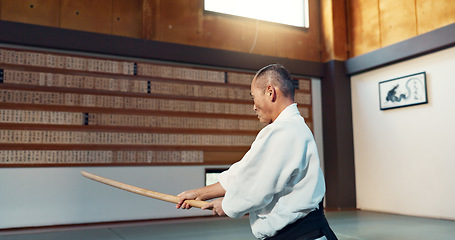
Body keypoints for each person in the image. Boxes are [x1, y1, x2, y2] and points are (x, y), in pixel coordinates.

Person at [176, 64, 337, 240]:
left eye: (254, 97)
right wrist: (198, 194)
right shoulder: (290, 128)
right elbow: (245, 172)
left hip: (302, 235)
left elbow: (257, 186)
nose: (253, 106)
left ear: (270, 92)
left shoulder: (285, 131)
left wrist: (228, 205)